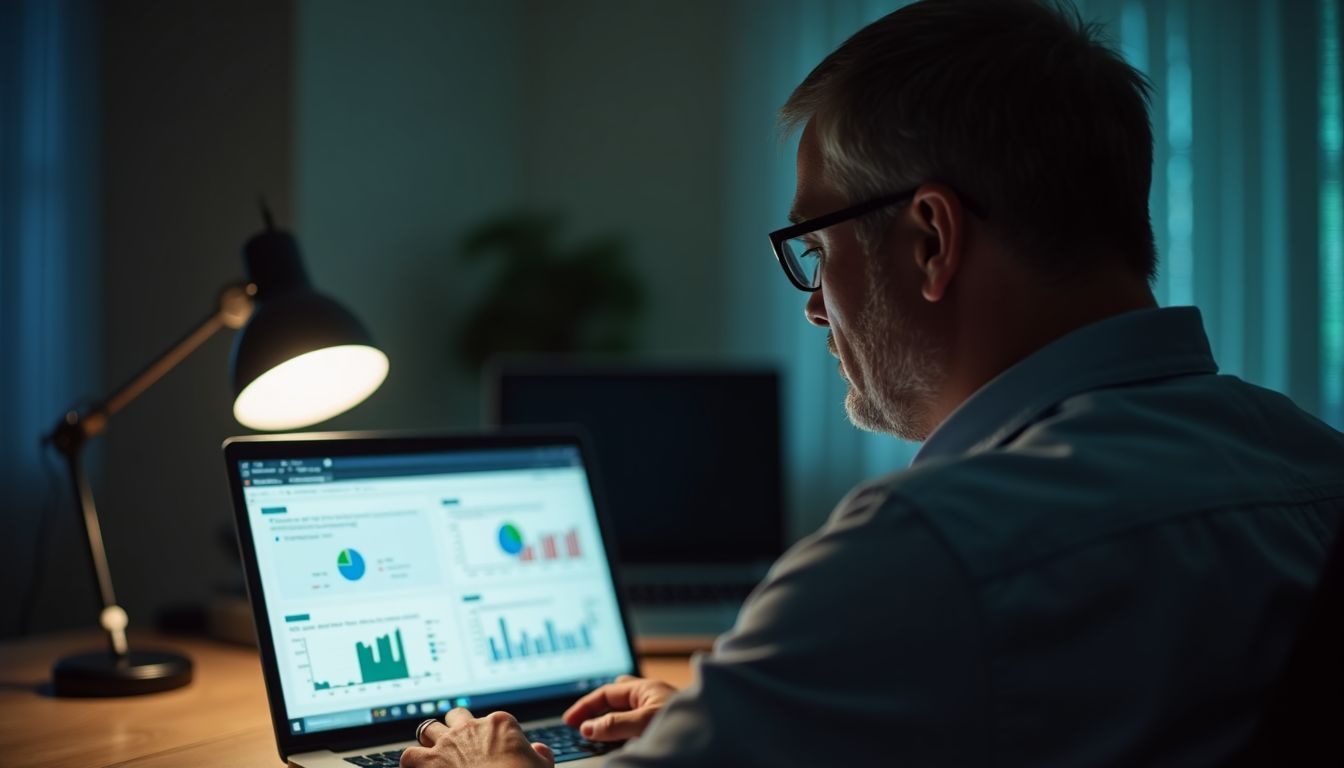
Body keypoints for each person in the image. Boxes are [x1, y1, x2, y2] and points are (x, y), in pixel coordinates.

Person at [401, 0, 1344, 765]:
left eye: (816, 247)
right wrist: (751, 722)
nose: (816, 308)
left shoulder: (922, 554)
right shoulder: (1315, 465)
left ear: (929, 239)